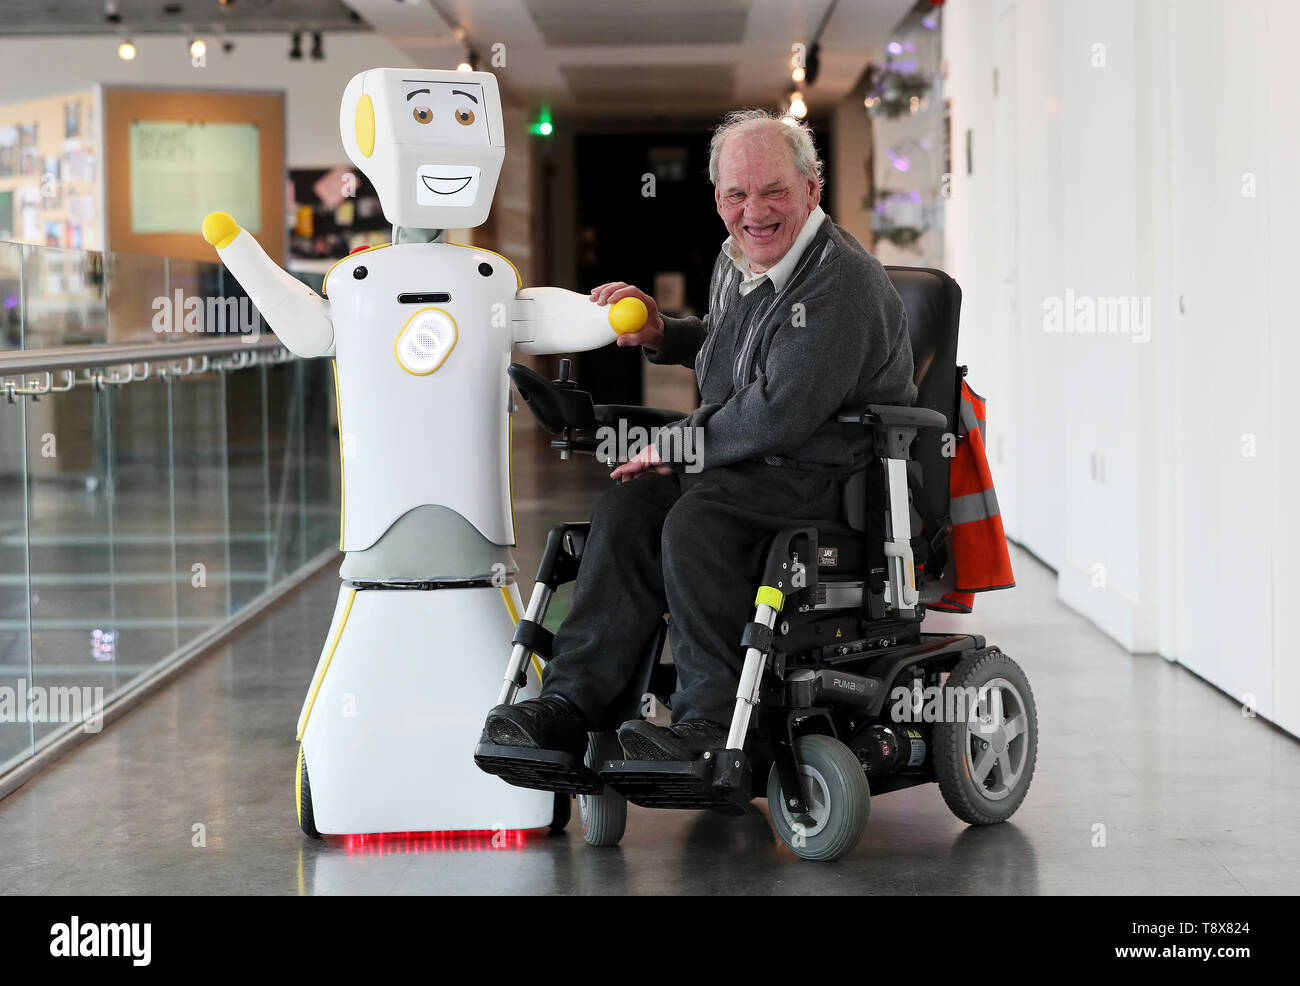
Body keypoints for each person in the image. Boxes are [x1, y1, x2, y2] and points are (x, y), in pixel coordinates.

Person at [483, 108, 916, 762]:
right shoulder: (737, 257)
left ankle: (709, 729)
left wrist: (682, 441)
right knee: (628, 508)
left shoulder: (839, 281)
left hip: (828, 473)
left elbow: (780, 407)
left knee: (697, 520)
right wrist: (664, 333)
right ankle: (573, 705)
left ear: (811, 190)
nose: (754, 210)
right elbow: (730, 345)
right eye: (737, 194)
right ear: (718, 199)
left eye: (773, 191)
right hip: (748, 464)